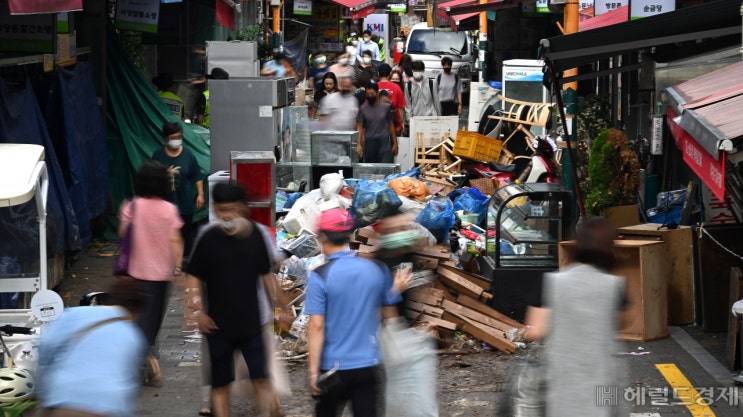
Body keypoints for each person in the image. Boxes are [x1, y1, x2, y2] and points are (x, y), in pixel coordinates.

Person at [185, 181, 283, 417]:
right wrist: (198, 312)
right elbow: (194, 277)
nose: (226, 215)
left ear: (241, 207)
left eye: (230, 209)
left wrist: (282, 307)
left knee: (262, 380)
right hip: (217, 326)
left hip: (253, 324)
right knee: (220, 385)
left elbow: (267, 274)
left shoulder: (256, 235)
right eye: (221, 210)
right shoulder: (207, 237)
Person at [524, 216, 626, 417]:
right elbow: (621, 324)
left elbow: (536, 332)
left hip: (564, 377)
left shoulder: (550, 282)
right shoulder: (614, 286)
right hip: (605, 377)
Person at [306, 208, 403, 417]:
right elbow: (389, 315)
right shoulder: (378, 269)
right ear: (350, 234)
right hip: (369, 364)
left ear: (321, 236)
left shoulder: (320, 275)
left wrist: (313, 371)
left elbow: (316, 326)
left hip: (333, 368)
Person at [36, 278, 148, 417]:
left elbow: (46, 347)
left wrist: (42, 391)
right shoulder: (133, 335)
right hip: (109, 405)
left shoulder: (74, 314)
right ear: (137, 311)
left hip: (65, 399)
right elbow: (130, 381)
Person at [118, 160, 184, 387]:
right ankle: (148, 360)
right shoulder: (169, 209)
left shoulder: (132, 206)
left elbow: (122, 233)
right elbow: (176, 240)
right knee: (152, 321)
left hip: (135, 273)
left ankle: (147, 363)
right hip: (161, 276)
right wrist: (176, 267)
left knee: (135, 319)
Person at [151, 122, 205, 254]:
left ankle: (184, 262)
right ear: (166, 138)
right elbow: (152, 177)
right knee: (166, 235)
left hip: (184, 202)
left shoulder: (188, 154)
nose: (177, 140)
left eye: (179, 137)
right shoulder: (158, 155)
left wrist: (200, 194)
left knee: (185, 234)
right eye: (173, 137)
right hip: (165, 203)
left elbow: (196, 175)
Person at [357, 81, 397, 163]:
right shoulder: (363, 109)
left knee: (385, 165)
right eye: (367, 94)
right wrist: (359, 144)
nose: (370, 96)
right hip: (369, 142)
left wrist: (395, 143)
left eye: (372, 94)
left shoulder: (386, 107)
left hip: (384, 141)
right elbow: (360, 128)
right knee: (371, 168)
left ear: (377, 93)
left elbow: (391, 125)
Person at [377, 63, 406, 136]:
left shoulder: (374, 87)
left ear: (378, 73)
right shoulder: (396, 87)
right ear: (390, 73)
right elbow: (400, 108)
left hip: (376, 125)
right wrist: (402, 122)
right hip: (393, 125)